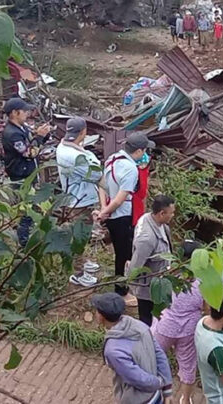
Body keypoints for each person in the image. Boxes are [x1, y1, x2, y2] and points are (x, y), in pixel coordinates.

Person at [96, 132, 154, 304]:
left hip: (111, 214)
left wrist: (103, 209)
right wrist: (105, 211)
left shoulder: (112, 159)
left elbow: (102, 185)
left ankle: (122, 285)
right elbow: (121, 199)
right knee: (125, 254)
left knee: (120, 252)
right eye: (144, 151)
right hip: (122, 216)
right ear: (139, 151)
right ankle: (121, 291)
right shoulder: (131, 170)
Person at [93, 292, 174, 404]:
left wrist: (158, 383)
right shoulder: (139, 325)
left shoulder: (113, 351)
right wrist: (166, 388)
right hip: (156, 395)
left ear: (101, 316)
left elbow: (138, 379)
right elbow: (159, 354)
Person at [155, 241, 204, 404]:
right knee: (188, 366)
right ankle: (186, 399)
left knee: (153, 356)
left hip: (166, 326)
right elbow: (207, 308)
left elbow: (159, 299)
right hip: (189, 330)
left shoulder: (168, 277)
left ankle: (154, 391)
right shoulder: (202, 283)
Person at [1, 97, 53, 246]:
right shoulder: (12, 134)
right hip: (21, 177)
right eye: (24, 111)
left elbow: (33, 141)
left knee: (31, 208)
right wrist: (40, 137)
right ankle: (23, 243)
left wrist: (43, 135)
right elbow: (29, 152)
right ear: (15, 113)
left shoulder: (22, 128)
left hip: (28, 174)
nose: (27, 114)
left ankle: (28, 238)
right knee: (26, 210)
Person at [129, 194, 176, 326]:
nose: (173, 215)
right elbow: (136, 266)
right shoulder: (147, 238)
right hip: (148, 288)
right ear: (161, 213)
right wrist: (132, 285)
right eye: (171, 213)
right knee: (147, 320)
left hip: (159, 280)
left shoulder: (157, 223)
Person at [55, 117, 106, 218]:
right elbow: (97, 174)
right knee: (85, 231)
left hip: (73, 198)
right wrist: (91, 156)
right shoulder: (76, 156)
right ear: (83, 132)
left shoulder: (61, 147)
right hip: (82, 202)